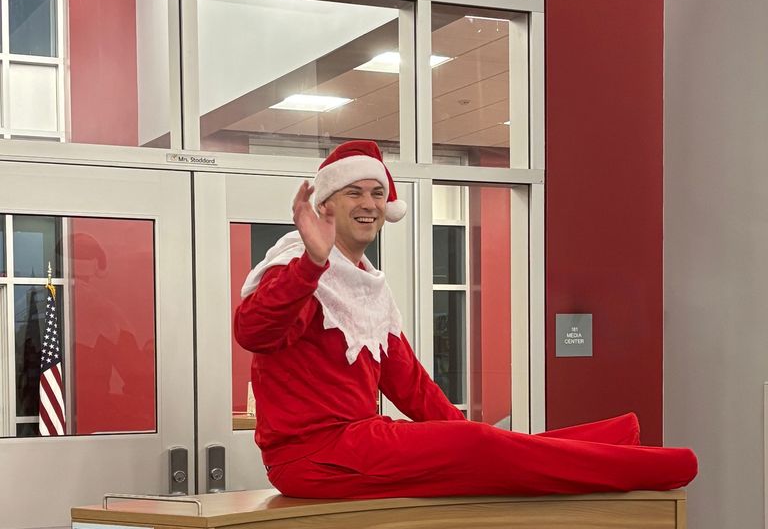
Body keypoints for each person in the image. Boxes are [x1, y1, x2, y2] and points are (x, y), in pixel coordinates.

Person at [234, 140, 697, 500]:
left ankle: (616, 438)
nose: (369, 203)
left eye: (377, 192)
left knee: (480, 443)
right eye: (353, 191)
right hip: (312, 457)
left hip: (353, 444)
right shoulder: (293, 266)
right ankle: (656, 466)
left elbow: (411, 386)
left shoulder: (366, 283)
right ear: (324, 206)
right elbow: (254, 331)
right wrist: (312, 264)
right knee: (479, 447)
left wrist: (476, 438)